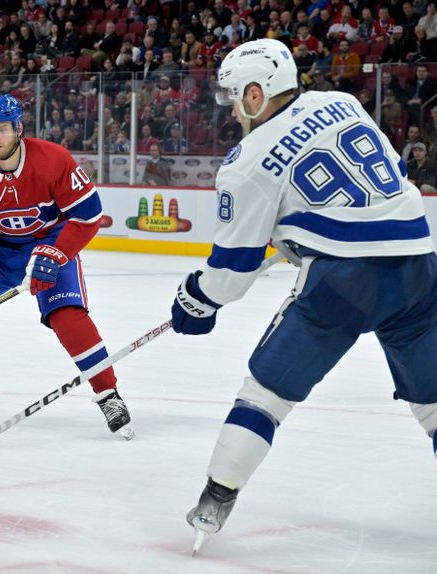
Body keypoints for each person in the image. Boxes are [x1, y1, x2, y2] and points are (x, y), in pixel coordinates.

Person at [171, 39, 437, 555]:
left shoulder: (245, 163)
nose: (230, 108)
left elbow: (230, 274)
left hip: (343, 285)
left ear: (255, 92)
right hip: (418, 267)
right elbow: (390, 182)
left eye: (233, 96)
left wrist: (193, 300)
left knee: (266, 395)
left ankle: (216, 497)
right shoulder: (342, 102)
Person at [0, 94, 133, 439]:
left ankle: (109, 394)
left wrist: (58, 252)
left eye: (2, 129)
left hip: (49, 247)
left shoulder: (53, 160)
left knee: (68, 317)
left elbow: (88, 216)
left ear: (18, 128)